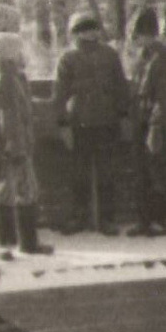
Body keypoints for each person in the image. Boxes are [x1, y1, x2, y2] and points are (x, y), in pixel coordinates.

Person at [0, 31, 52, 255]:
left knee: (3, 190)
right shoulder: (8, 79)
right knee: (25, 190)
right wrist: (17, 148)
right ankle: (26, 242)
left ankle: (4, 242)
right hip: (10, 143)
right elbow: (10, 117)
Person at [52, 13, 129, 235]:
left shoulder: (106, 55)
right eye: (85, 30)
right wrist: (63, 124)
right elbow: (59, 94)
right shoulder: (70, 58)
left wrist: (122, 115)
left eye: (92, 29)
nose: (90, 34)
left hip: (99, 121)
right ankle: (90, 218)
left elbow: (120, 87)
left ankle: (97, 218)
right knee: (87, 173)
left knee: (99, 172)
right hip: (88, 122)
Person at [125, 9, 166, 237]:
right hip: (141, 117)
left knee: (156, 170)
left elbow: (164, 95)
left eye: (137, 34)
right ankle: (144, 219)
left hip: (154, 120)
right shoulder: (144, 55)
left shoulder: (160, 56)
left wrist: (157, 124)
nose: (135, 39)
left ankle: (159, 219)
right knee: (141, 172)